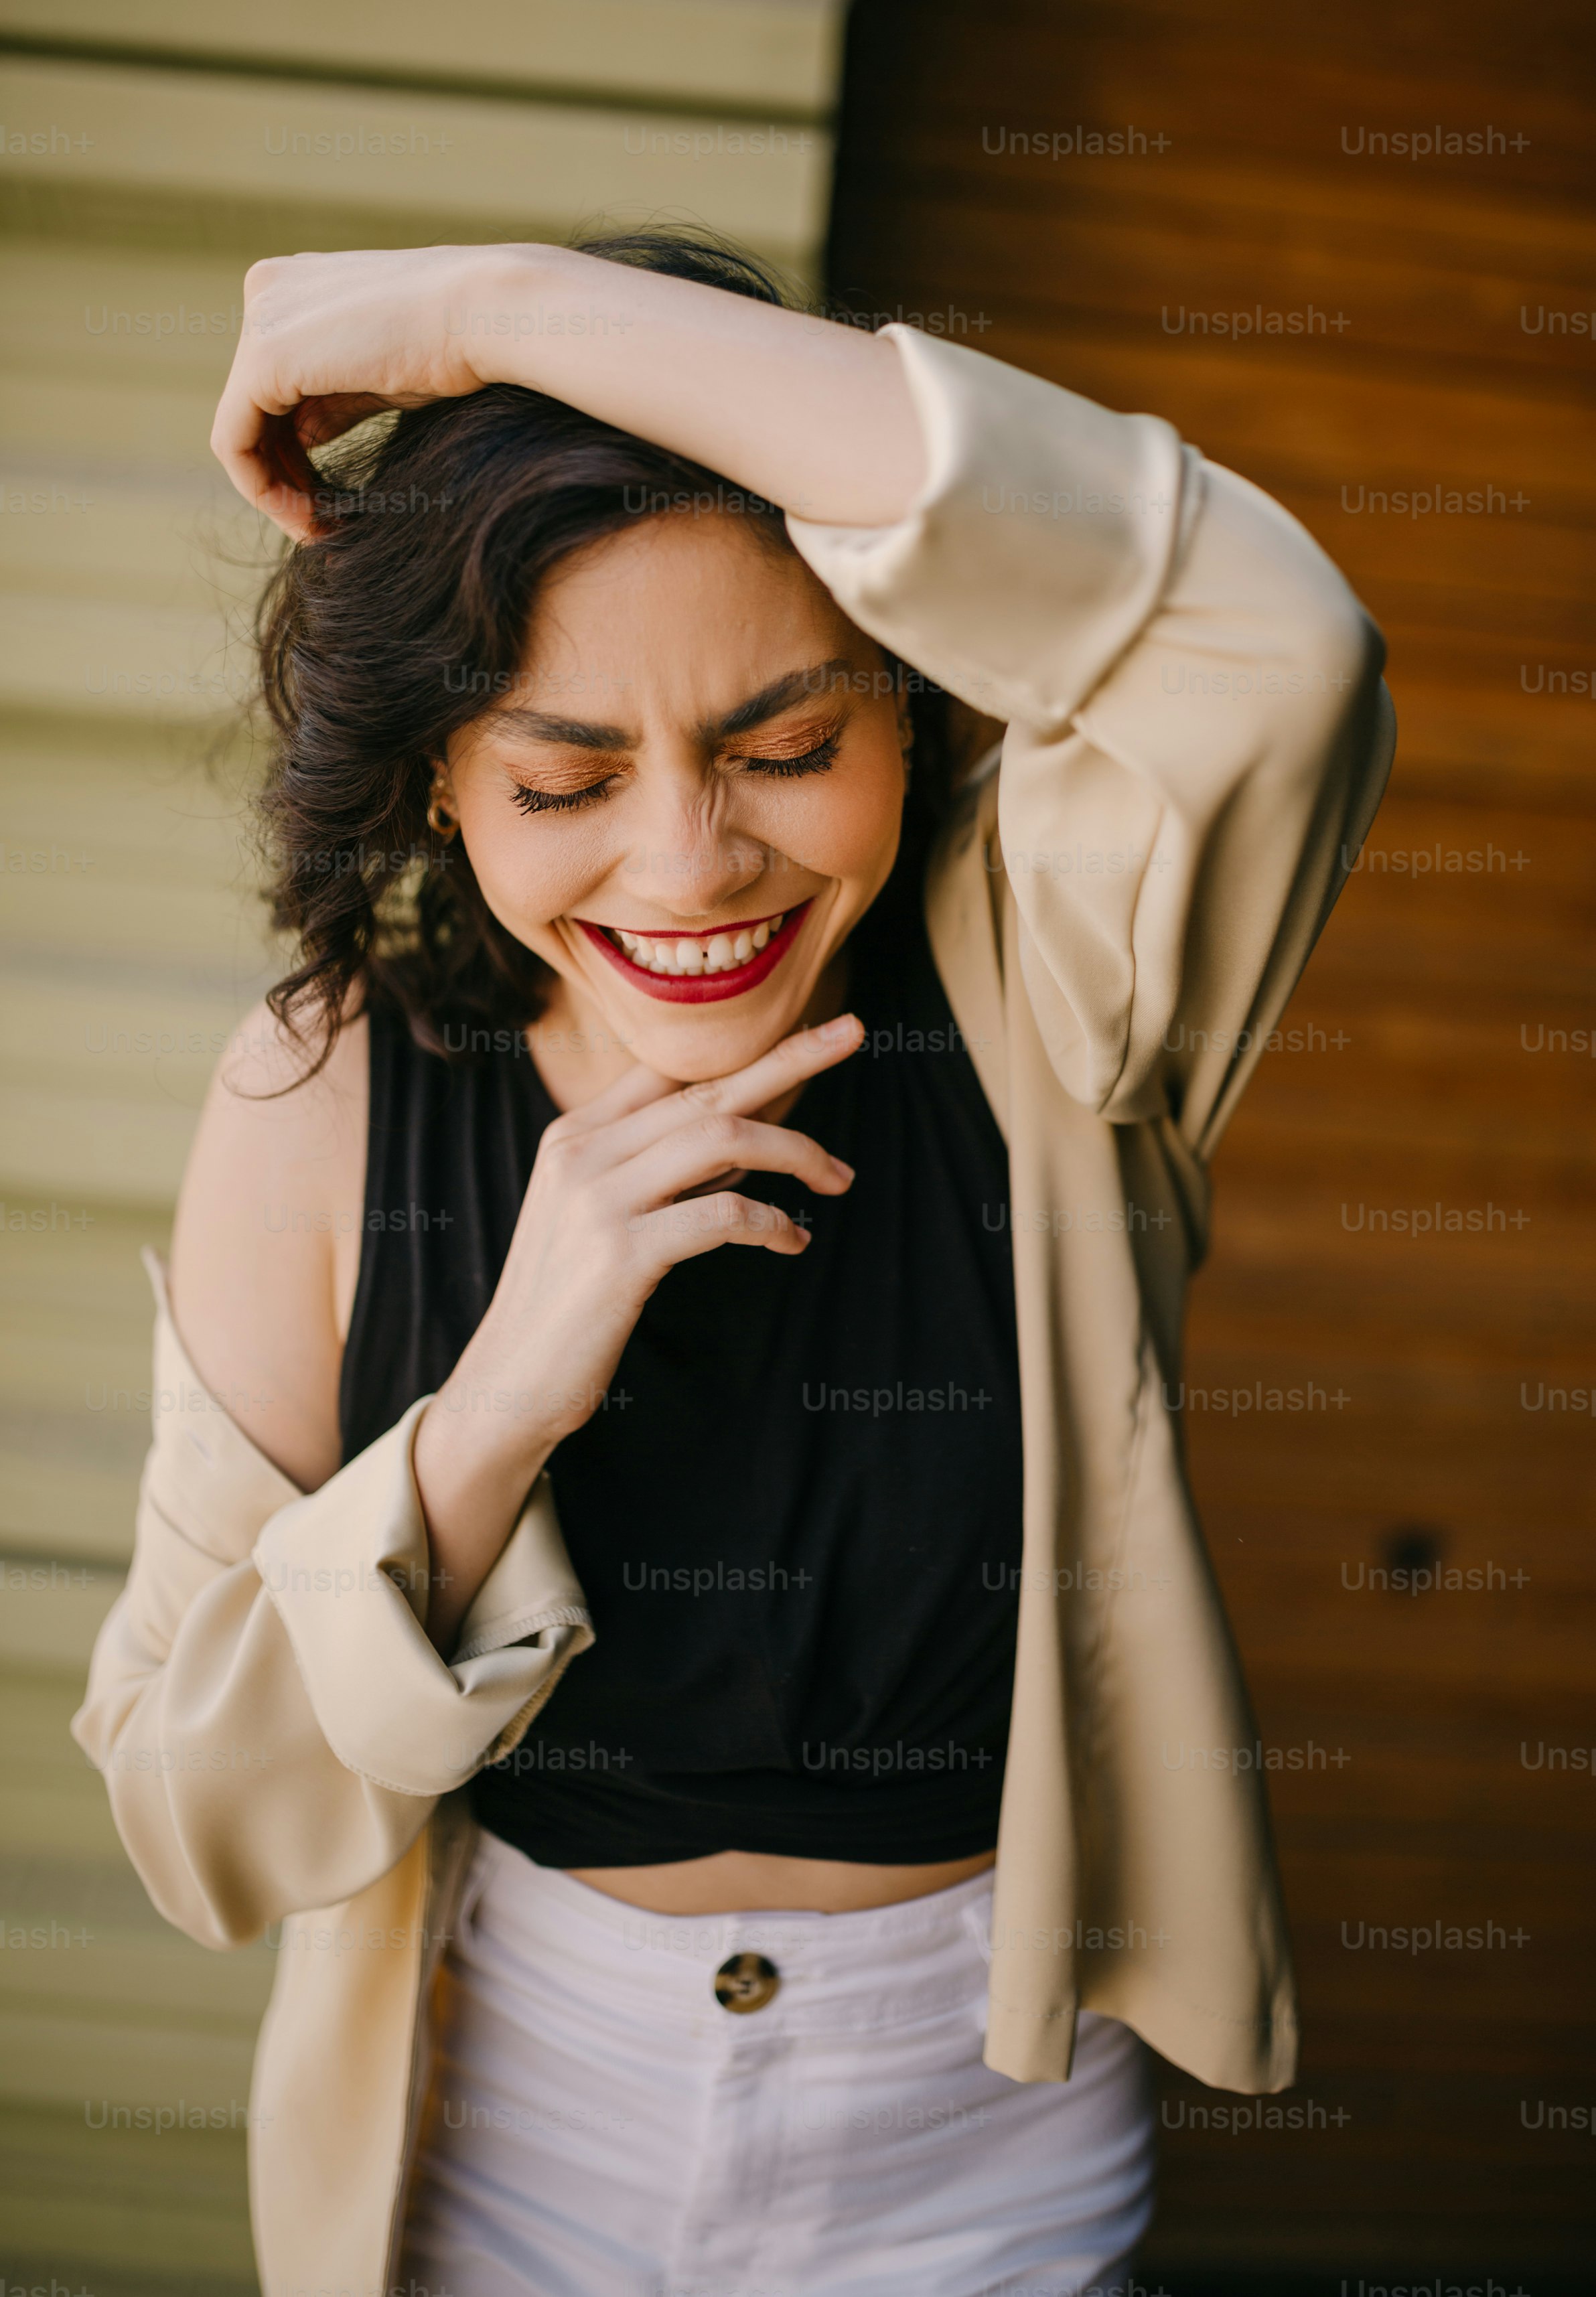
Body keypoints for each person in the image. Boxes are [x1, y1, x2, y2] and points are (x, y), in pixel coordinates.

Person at [74, 228, 1394, 2297]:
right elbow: (196, 1818)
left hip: (985, 2137)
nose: (690, 865)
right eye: (564, 778)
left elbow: (1274, 639)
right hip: (501, 2127)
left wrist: (485, 310)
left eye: (786, 748)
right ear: (442, 777)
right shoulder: (323, 1091)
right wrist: (498, 1402)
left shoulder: (1050, 997)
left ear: (912, 709)